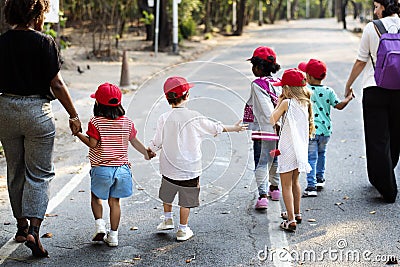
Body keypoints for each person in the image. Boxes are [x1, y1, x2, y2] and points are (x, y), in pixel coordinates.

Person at [0, 0, 81, 257]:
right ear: (37, 14)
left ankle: (21, 227)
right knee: (40, 173)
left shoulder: (1, 42)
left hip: (5, 109)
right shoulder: (44, 42)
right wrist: (74, 114)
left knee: (15, 171)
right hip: (37, 112)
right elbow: (56, 84)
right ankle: (34, 230)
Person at [149, 76, 247, 241]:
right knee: (186, 199)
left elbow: (157, 142)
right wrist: (235, 128)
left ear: (167, 98)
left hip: (168, 167)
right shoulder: (194, 117)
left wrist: (149, 151)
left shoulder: (163, 118)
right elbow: (215, 127)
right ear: (187, 95)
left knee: (167, 193)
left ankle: (167, 219)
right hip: (190, 169)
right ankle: (182, 229)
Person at [75, 83, 154, 247]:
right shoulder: (127, 122)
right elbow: (135, 142)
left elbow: (92, 144)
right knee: (115, 202)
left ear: (97, 103)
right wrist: (146, 152)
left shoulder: (95, 122)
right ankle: (114, 236)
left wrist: (78, 133)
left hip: (102, 169)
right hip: (122, 171)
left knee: (96, 197)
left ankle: (100, 225)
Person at [344, 0, 400, 203]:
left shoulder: (372, 28)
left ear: (384, 6)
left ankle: (386, 186)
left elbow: (361, 61)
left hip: (375, 88)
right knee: (395, 135)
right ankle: (387, 171)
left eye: (376, 6)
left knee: (377, 139)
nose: (375, 11)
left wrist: (348, 84)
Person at [298, 59, 354, 197]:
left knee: (311, 157)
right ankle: (320, 179)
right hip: (325, 131)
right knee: (322, 154)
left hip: (311, 131)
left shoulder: (305, 90)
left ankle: (311, 187)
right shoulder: (329, 90)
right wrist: (348, 98)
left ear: (309, 77)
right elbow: (339, 106)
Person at [270, 69, 315, 232]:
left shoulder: (286, 103)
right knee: (296, 182)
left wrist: (279, 101)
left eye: (283, 88)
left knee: (286, 186)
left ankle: (290, 220)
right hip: (300, 149)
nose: (282, 91)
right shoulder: (305, 102)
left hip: (287, 149)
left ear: (288, 88)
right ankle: (296, 212)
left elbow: (271, 119)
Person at [244, 46, 281, 210]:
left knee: (260, 163)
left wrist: (272, 121)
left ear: (259, 67)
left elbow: (266, 109)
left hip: (263, 130)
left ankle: (262, 196)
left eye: (253, 66)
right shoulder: (278, 82)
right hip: (278, 131)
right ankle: (275, 189)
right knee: (274, 161)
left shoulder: (257, 84)